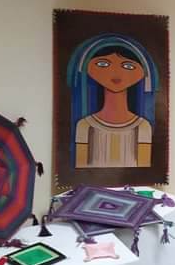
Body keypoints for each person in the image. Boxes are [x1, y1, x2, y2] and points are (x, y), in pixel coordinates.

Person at [67, 34, 159, 168]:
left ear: (142, 72)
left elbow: (144, 169)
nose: (115, 72)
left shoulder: (143, 127)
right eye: (103, 64)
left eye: (128, 66)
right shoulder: (85, 125)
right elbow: (80, 169)